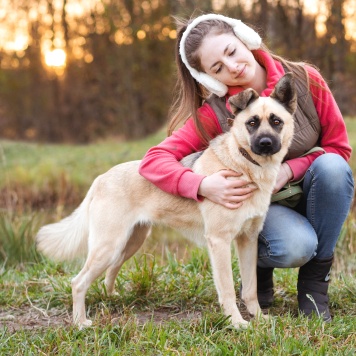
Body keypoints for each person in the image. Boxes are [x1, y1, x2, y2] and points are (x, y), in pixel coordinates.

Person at [139, 13, 354, 321]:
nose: (233, 66)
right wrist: (201, 185)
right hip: (261, 209)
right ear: (209, 79)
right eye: (218, 68)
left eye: (231, 51)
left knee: (333, 167)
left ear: (245, 38)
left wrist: (288, 171)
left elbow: (339, 147)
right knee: (295, 246)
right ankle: (258, 270)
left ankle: (314, 285)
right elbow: (153, 161)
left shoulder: (305, 80)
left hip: (313, 193)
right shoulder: (215, 112)